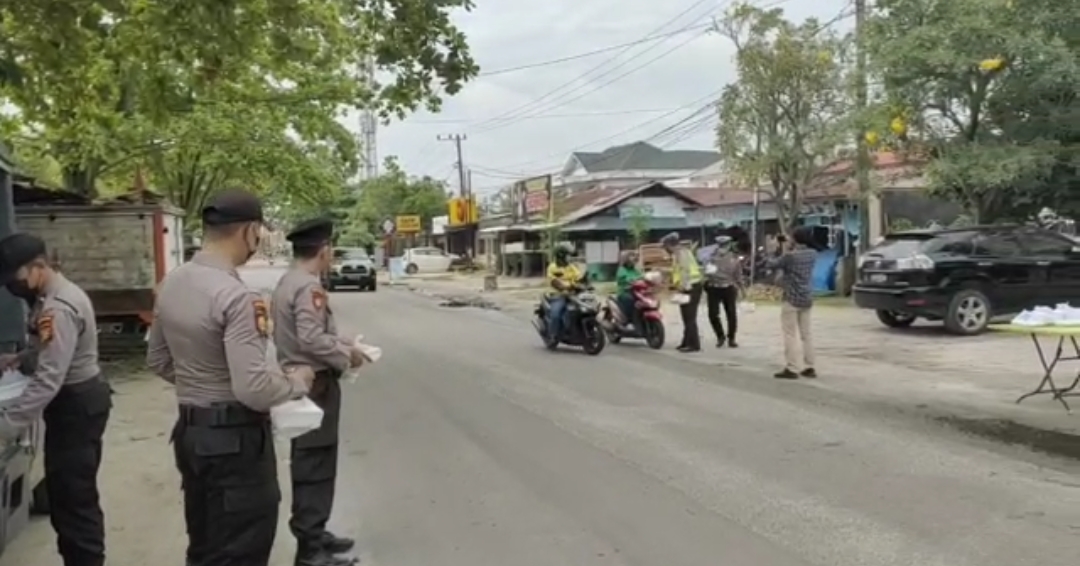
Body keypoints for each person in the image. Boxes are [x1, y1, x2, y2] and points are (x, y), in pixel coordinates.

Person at [146, 188, 315, 566]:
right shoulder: (237, 297)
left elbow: (157, 359)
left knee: (205, 546)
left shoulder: (172, 283)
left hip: (191, 435)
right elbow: (252, 388)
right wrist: (297, 382)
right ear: (250, 232)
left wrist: (200, 384)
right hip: (234, 444)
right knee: (241, 549)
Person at [0, 233, 112, 566]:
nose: (11, 285)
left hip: (76, 408)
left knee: (74, 500)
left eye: (14, 277)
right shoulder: (53, 297)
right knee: (68, 496)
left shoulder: (58, 308)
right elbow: (49, 351)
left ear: (38, 267)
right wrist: (19, 358)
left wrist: (7, 424)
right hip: (79, 403)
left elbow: (49, 379)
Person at [272, 217, 365, 566]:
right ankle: (310, 548)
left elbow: (301, 335)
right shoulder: (309, 287)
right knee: (316, 462)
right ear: (324, 250)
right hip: (315, 385)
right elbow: (310, 339)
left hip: (302, 380)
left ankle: (315, 531)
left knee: (313, 459)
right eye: (331, 249)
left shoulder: (288, 282)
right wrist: (348, 355)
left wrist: (340, 341)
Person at [769, 227, 818, 379]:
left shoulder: (790, 257)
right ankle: (810, 366)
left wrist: (773, 248)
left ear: (796, 239)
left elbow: (772, 264)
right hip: (807, 297)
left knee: (790, 334)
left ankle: (792, 367)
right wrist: (788, 247)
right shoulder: (812, 254)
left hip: (791, 298)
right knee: (806, 334)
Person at [661, 232, 703, 353]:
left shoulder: (681, 253)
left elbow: (685, 271)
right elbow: (677, 270)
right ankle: (686, 341)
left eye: (665, 247)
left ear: (669, 245)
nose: (665, 250)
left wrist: (682, 287)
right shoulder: (678, 253)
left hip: (691, 287)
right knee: (686, 316)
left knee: (690, 316)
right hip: (687, 287)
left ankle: (694, 345)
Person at [704, 235, 743, 348]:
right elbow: (707, 273)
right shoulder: (711, 257)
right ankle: (720, 336)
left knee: (731, 315)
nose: (722, 248)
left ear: (729, 245)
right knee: (713, 314)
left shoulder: (734, 258)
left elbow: (738, 275)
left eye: (724, 245)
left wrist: (742, 289)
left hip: (728, 288)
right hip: (714, 288)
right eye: (721, 245)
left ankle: (731, 338)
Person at [544, 243, 582, 345]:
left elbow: (579, 278)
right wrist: (566, 287)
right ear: (561, 255)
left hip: (572, 295)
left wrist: (585, 283)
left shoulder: (572, 267)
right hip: (557, 295)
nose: (569, 258)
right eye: (567, 255)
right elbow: (555, 282)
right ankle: (553, 335)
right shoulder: (553, 267)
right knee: (556, 314)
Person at [614, 250, 643, 324]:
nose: (634, 258)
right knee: (631, 300)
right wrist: (633, 280)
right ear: (626, 259)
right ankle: (630, 318)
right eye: (631, 256)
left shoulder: (634, 270)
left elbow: (641, 276)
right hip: (624, 292)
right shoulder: (622, 270)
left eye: (633, 256)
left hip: (635, 291)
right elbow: (625, 279)